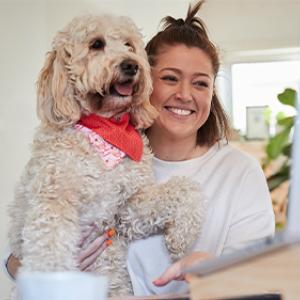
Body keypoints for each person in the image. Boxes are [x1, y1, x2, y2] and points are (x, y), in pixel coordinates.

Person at [3, 0, 275, 296]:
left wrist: (216, 269)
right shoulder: (90, 150)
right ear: (150, 82)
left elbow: (258, 282)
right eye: (170, 78)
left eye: (200, 84)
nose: (185, 94)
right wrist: (47, 273)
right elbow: (18, 249)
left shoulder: (240, 172)